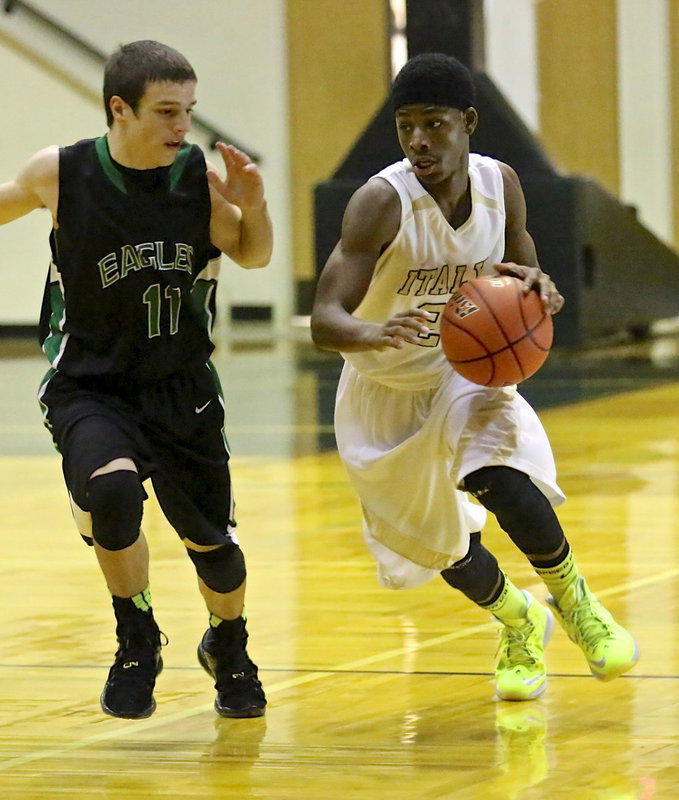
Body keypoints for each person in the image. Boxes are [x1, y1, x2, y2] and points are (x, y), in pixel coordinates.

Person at [311, 52, 638, 700]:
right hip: (383, 390)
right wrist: (368, 333)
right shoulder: (381, 202)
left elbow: (520, 267)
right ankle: (518, 621)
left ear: (467, 122)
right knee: (441, 549)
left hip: (463, 371)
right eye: (405, 126)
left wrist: (536, 288)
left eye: (432, 124)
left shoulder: (501, 184)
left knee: (499, 478)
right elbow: (323, 318)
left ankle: (574, 603)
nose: (417, 140)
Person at [0, 40, 272, 719]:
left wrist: (253, 203)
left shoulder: (195, 182)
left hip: (180, 388)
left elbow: (253, 253)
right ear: (119, 109)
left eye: (189, 112)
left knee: (215, 550)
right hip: (90, 386)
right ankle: (136, 635)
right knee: (113, 495)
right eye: (167, 112)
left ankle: (229, 646)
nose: (183, 129)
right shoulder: (60, 174)